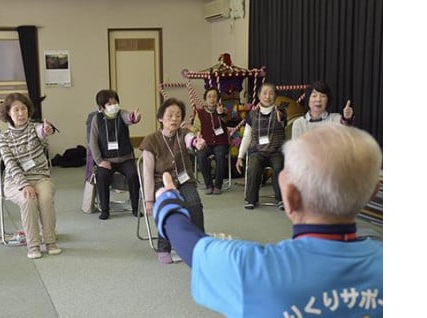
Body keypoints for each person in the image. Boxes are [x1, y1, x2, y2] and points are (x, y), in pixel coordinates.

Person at [152, 123, 383, 317]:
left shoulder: (255, 268)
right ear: (372, 193)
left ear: (290, 198)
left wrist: (168, 204)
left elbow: (193, 247)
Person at [139, 97, 207, 264]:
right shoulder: (151, 140)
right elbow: (147, 172)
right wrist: (148, 200)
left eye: (178, 115)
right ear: (161, 118)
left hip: (184, 180)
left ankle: (199, 244)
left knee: (194, 204)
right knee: (169, 207)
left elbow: (190, 139)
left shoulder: (182, 134)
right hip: (160, 182)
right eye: (170, 115)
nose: (175, 119)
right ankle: (164, 247)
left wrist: (196, 142)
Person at [0, 92, 61, 259]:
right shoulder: (2, 138)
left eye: (23, 108)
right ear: (9, 114)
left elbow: (43, 132)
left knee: (45, 197)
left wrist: (47, 129)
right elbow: (10, 165)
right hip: (15, 181)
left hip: (40, 177)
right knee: (28, 199)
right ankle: (33, 245)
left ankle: (50, 241)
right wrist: (24, 184)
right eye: (16, 110)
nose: (21, 113)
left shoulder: (35, 128)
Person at [88, 89, 141, 220]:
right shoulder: (96, 119)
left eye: (115, 102)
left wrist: (134, 118)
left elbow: (129, 118)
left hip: (125, 158)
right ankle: (105, 210)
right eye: (109, 104)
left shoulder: (121, 113)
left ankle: (135, 207)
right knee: (102, 177)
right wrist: (100, 161)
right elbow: (92, 142)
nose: (114, 106)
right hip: (106, 160)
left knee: (133, 175)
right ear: (101, 107)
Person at [235, 82, 287, 210]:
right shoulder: (252, 115)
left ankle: (281, 199)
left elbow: (283, 122)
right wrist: (240, 157)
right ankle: (251, 199)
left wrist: (281, 118)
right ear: (259, 96)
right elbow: (247, 136)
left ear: (275, 96)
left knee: (278, 167)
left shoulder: (280, 111)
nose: (267, 96)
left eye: (271, 93)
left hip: (276, 151)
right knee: (253, 167)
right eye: (264, 93)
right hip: (257, 151)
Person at [192, 87, 229, 195]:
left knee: (220, 155)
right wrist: (198, 135)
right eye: (209, 96)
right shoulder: (200, 113)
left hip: (220, 142)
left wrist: (221, 114)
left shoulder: (223, 110)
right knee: (201, 155)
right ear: (205, 99)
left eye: (214, 96)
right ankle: (209, 185)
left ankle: (218, 185)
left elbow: (227, 122)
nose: (212, 99)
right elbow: (196, 129)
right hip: (205, 142)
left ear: (218, 99)